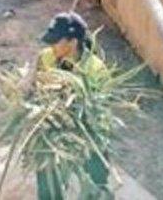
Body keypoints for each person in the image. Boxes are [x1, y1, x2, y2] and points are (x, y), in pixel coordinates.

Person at [30, 12, 111, 199]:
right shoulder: (46, 57)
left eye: (56, 41)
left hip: (87, 132)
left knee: (96, 180)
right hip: (53, 129)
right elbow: (33, 84)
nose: (51, 45)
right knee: (45, 168)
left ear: (73, 42)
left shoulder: (95, 70)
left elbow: (100, 112)